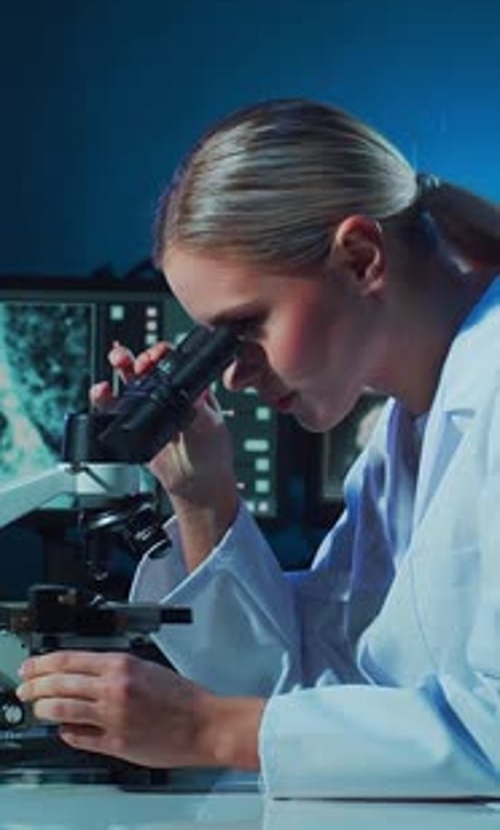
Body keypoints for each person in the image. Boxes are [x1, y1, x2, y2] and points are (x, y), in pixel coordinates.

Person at [16, 99, 500, 798]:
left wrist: (206, 730)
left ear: (360, 259)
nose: (233, 376)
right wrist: (202, 498)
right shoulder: (402, 439)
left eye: (243, 326)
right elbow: (305, 683)